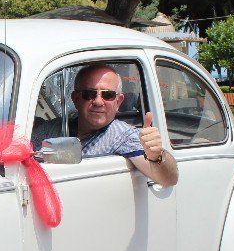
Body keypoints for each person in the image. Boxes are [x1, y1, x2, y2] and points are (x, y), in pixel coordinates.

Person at [32, 65, 178, 187]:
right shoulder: (51, 129)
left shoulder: (123, 136)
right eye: (89, 94)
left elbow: (168, 179)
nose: (98, 102)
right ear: (75, 99)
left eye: (107, 95)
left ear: (118, 102)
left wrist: (156, 155)